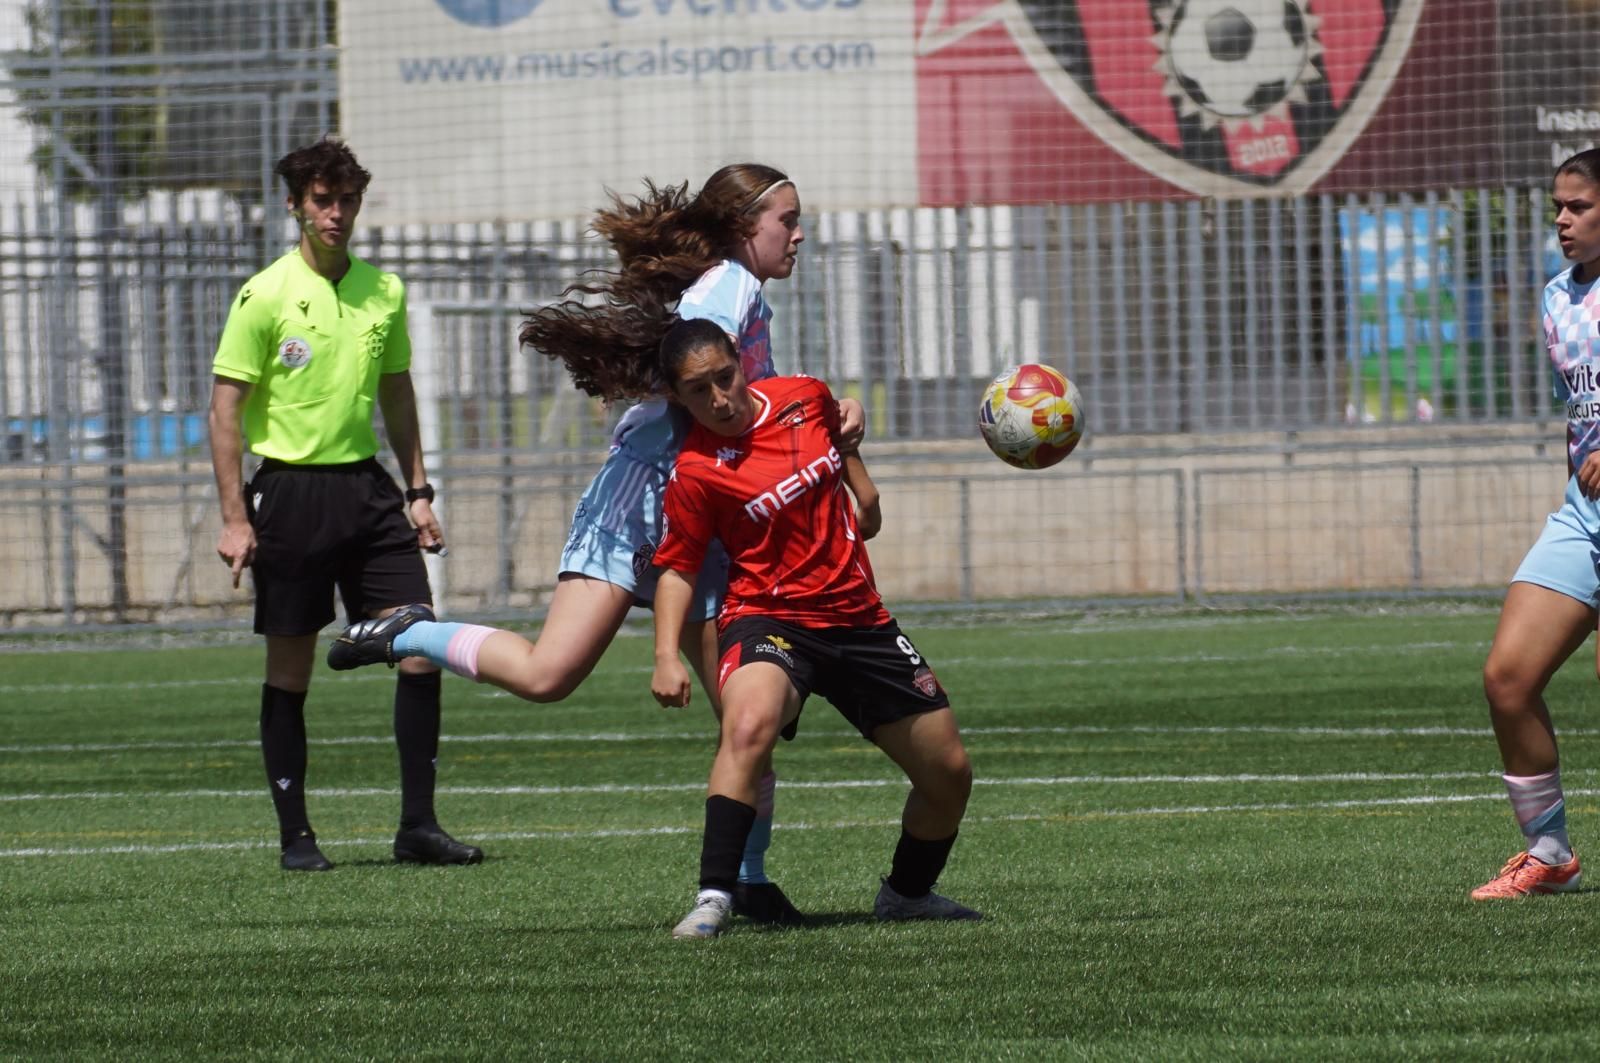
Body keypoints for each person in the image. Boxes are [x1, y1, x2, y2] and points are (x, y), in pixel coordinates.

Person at [328, 163, 865, 922]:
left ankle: (745, 880)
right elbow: (687, 368)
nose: (798, 233)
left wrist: (818, 414)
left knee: (747, 713)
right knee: (555, 675)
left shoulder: (736, 290)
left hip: (700, 506)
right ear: (747, 227)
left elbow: (743, 402)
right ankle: (410, 631)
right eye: (787, 219)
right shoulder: (730, 288)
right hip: (646, 493)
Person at [646, 318, 978, 939]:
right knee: (747, 725)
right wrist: (667, 653)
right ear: (677, 397)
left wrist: (865, 490)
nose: (719, 399)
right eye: (699, 391)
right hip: (768, 617)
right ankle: (716, 894)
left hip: (858, 618)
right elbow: (677, 567)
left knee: (949, 773)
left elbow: (840, 437)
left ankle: (906, 894)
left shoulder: (804, 396)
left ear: (742, 362)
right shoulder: (695, 470)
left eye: (725, 377)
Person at [209, 137, 481, 872]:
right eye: (323, 200)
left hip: (368, 490)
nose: (337, 213)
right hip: (289, 492)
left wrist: (418, 491)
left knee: (422, 645)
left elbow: (397, 390)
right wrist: (236, 516)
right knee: (290, 668)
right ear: (296, 205)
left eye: (347, 200)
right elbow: (226, 409)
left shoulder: (382, 291)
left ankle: (418, 826)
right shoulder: (263, 295)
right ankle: (297, 835)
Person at [1473, 147, 1600, 899]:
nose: (1561, 218)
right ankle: (1547, 852)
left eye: (1578, 206)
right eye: (1557, 205)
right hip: (1584, 516)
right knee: (1509, 678)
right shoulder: (1558, 298)